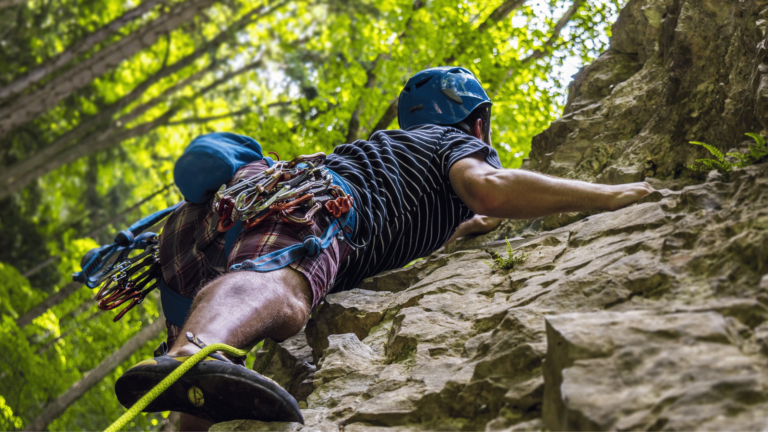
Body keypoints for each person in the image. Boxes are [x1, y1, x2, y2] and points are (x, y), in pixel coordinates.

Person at [115, 66, 653, 430]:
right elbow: (489, 188)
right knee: (285, 288)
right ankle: (190, 354)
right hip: (315, 201)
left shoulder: (398, 156)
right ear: (478, 123)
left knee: (204, 378)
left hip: (197, 233)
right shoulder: (454, 144)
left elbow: (464, 217)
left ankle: (187, 377)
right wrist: (611, 195)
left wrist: (469, 227)